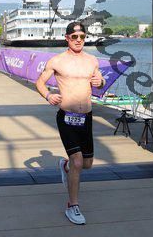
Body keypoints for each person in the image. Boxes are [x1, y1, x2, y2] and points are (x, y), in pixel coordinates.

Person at [35, 21, 105, 225]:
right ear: (67, 38)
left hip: (86, 118)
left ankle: (65, 165)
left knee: (87, 164)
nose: (78, 40)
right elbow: (39, 82)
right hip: (66, 117)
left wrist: (99, 82)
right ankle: (72, 206)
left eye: (82, 36)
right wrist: (48, 95)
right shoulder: (57, 61)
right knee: (78, 162)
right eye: (74, 37)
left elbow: (100, 81)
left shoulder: (92, 60)